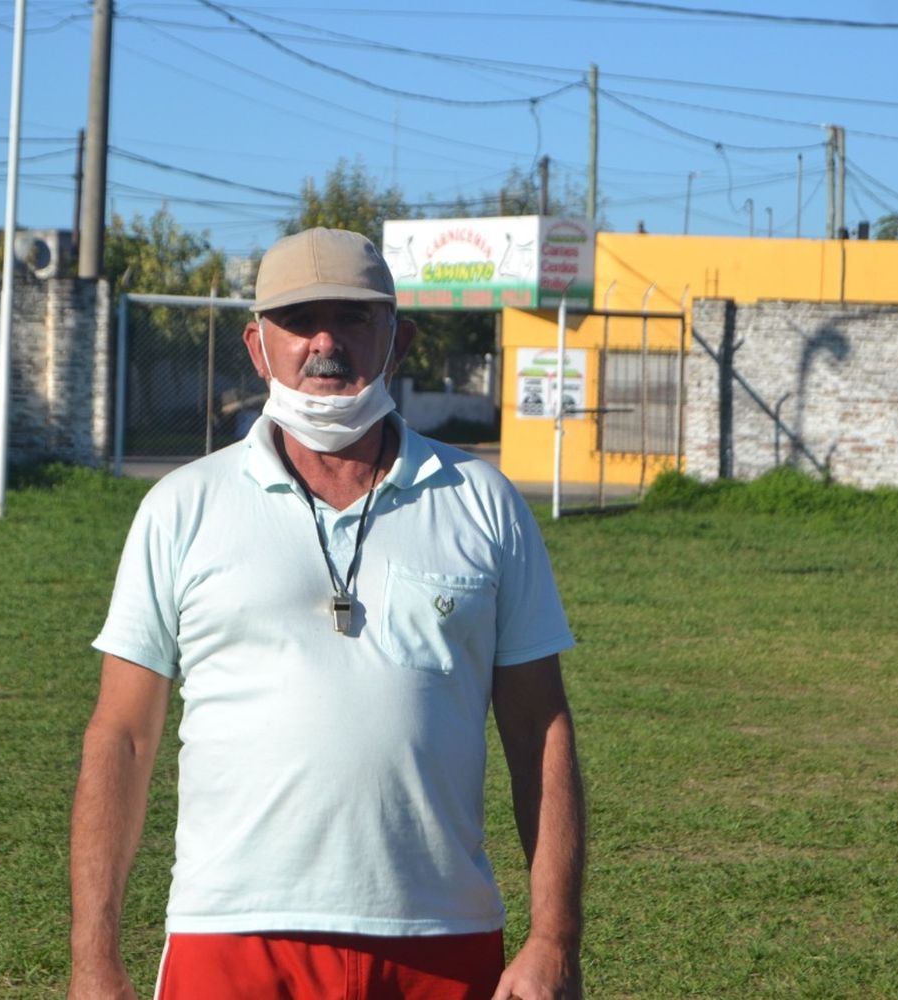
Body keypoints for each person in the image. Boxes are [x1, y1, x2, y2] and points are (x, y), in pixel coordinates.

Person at [69, 227, 585, 1000]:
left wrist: (555, 941)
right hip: (231, 932)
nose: (323, 342)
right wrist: (93, 962)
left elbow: (539, 729)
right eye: (297, 320)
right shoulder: (181, 508)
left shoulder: (483, 503)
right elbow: (124, 737)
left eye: (352, 318)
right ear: (256, 344)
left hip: (440, 938)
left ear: (397, 339)